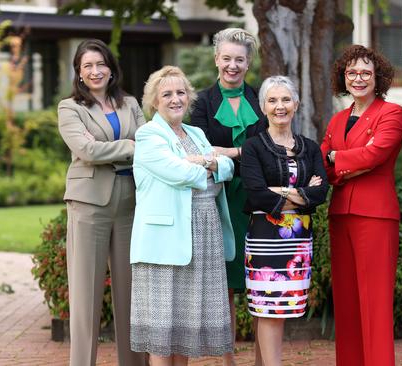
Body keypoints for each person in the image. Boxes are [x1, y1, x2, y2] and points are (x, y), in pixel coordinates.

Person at [129, 65, 236, 365]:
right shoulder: (149, 134)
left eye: (180, 93)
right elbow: (177, 172)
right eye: (167, 94)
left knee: (184, 332)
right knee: (162, 335)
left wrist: (202, 161)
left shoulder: (196, 132)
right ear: (154, 101)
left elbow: (227, 168)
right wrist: (208, 162)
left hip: (203, 234)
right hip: (165, 242)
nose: (175, 99)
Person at [57, 38, 148, 366]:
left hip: (130, 203)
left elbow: (148, 142)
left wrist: (124, 146)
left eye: (100, 64)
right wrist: (129, 146)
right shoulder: (70, 108)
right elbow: (87, 151)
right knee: (85, 296)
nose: (95, 71)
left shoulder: (131, 104)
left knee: (131, 294)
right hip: (89, 205)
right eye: (87, 66)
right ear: (79, 74)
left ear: (111, 68)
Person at [320, 45, 402, 366]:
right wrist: (345, 163)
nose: (359, 78)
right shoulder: (338, 118)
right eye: (352, 72)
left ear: (377, 76)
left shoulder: (391, 113)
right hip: (340, 214)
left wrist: (336, 157)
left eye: (366, 72)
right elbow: (323, 166)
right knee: (347, 303)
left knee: (375, 304)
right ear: (344, 76)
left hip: (376, 216)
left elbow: (375, 155)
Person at [240, 75, 329, 366]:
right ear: (263, 107)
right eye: (273, 100)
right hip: (265, 239)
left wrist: (281, 191)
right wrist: (301, 193)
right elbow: (254, 193)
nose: (280, 106)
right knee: (268, 309)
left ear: (296, 104)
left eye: (286, 99)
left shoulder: (311, 147)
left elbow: (321, 192)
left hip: (299, 241)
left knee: (287, 306)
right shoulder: (253, 147)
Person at [191, 29, 267, 363]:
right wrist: (245, 151)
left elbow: (270, 146)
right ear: (216, 59)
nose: (232, 65)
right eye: (226, 58)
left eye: (239, 59)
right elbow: (200, 148)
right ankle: (229, 360)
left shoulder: (262, 99)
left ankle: (263, 358)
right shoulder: (202, 102)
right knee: (227, 287)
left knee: (261, 281)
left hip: (258, 198)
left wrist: (230, 151)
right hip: (220, 199)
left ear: (248, 62)